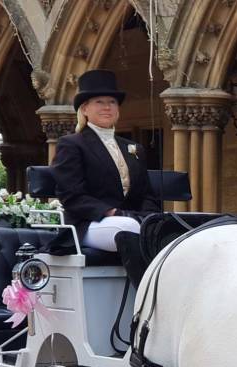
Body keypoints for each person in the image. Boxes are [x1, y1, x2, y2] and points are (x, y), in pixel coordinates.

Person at [50, 69, 159, 282]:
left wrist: (150, 216)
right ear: (85, 109)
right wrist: (111, 212)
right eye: (99, 102)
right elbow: (71, 195)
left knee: (162, 227)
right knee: (128, 227)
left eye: (112, 102)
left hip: (130, 219)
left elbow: (147, 193)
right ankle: (145, 295)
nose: (107, 107)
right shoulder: (72, 144)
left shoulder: (133, 148)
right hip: (88, 224)